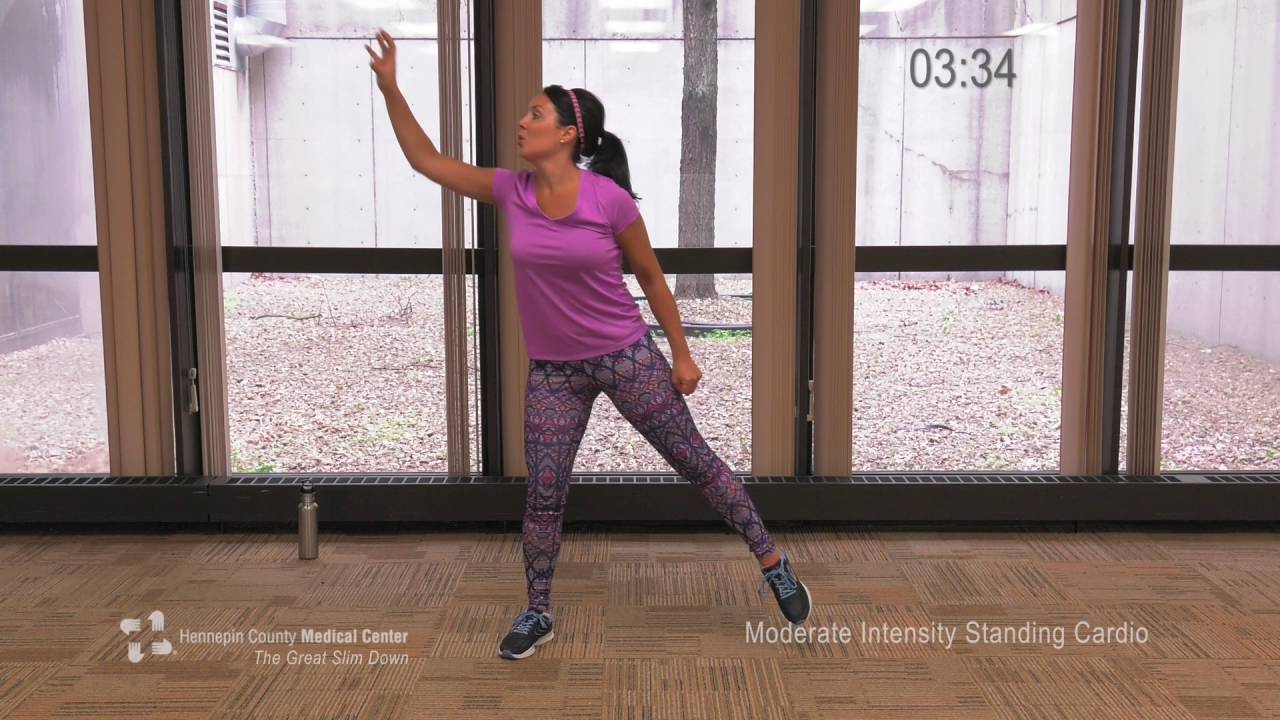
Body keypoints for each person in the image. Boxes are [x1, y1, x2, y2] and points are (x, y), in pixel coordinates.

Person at [366, 29, 810, 660]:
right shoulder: (512, 190)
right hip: (553, 372)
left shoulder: (609, 200)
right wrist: (391, 87)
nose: (522, 123)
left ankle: (772, 562)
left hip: (626, 358)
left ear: (568, 134)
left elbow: (650, 277)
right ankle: (537, 611)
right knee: (545, 492)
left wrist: (682, 353)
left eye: (535, 115)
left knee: (695, 461)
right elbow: (427, 161)